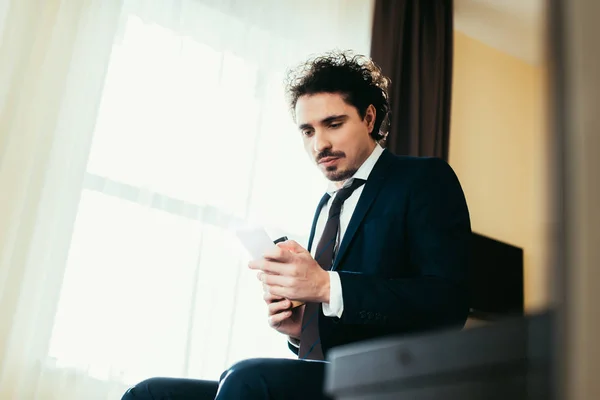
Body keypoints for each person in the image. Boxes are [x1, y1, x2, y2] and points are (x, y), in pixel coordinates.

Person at [121, 50, 471, 400]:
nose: (320, 144)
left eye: (333, 124)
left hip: (389, 382)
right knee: (150, 393)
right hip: (331, 379)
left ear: (368, 118)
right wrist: (300, 327)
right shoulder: (326, 206)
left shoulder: (423, 179)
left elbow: (447, 303)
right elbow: (336, 320)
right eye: (307, 131)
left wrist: (325, 287)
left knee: (247, 378)